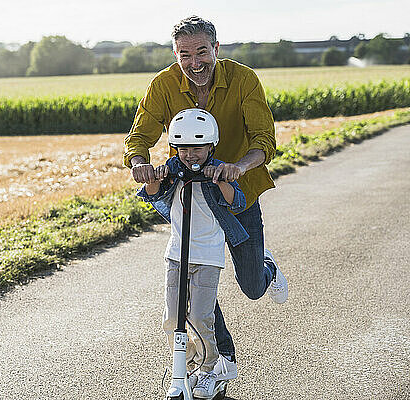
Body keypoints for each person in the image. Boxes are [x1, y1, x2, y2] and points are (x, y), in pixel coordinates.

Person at [123, 15, 288, 381]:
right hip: (192, 193)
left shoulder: (244, 80)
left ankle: (267, 268)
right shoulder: (164, 84)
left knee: (252, 287)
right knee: (195, 276)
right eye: (184, 54)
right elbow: (139, 137)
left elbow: (264, 140)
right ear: (175, 53)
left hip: (236, 191)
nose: (194, 62)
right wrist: (140, 164)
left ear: (216, 48)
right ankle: (220, 360)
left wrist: (237, 167)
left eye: (202, 52)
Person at [137, 108, 247, 398]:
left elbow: (237, 202)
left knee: (200, 317)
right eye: (183, 147)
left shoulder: (218, 169)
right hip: (176, 254)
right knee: (172, 318)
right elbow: (153, 194)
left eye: (197, 147)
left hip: (208, 257)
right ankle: (183, 369)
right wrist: (154, 176)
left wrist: (222, 178)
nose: (190, 154)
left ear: (211, 146)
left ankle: (210, 368)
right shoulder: (172, 168)